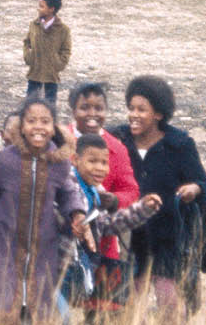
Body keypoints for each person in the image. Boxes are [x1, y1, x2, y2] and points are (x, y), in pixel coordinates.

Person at [0, 96, 87, 325]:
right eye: (32, 121)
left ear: (53, 128)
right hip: (3, 244)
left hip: (42, 246)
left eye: (45, 121)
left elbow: (69, 191)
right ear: (21, 127)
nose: (38, 127)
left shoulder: (59, 161)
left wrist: (77, 213)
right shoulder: (6, 159)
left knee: (40, 306)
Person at [111, 75, 206, 323]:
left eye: (141, 110)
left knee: (171, 305)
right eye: (131, 108)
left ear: (157, 114)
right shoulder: (117, 139)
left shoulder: (179, 144)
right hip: (129, 238)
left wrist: (194, 189)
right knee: (130, 309)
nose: (133, 114)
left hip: (168, 239)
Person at [62, 133, 162, 315]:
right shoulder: (68, 186)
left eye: (104, 162)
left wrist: (142, 209)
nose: (100, 168)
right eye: (92, 161)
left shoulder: (92, 192)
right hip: (56, 267)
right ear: (75, 160)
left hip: (73, 270)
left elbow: (105, 225)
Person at [66, 82, 139, 260]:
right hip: (62, 237)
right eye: (84, 108)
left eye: (98, 108)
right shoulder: (59, 140)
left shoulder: (116, 148)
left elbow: (131, 191)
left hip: (102, 242)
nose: (92, 114)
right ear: (73, 111)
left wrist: (114, 200)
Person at [22, 0, 70, 107]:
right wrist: (29, 56)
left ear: (51, 9)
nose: (39, 9)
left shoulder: (63, 30)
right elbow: (27, 42)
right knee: (29, 105)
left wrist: (58, 64)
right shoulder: (34, 25)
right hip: (35, 72)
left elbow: (66, 50)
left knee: (50, 106)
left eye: (42, 6)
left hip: (51, 75)